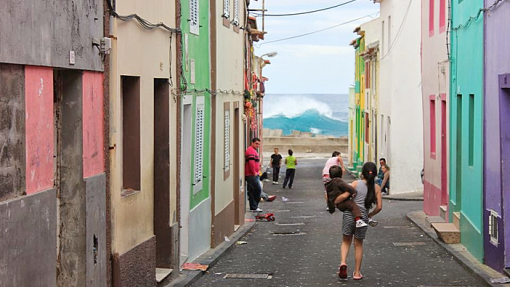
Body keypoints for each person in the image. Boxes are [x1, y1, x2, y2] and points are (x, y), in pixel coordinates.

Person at [338, 162, 383, 280]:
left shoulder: (355, 183)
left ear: (362, 173)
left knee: (346, 241)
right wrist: (370, 214)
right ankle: (357, 273)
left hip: (349, 215)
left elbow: (346, 196)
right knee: (358, 245)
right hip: (363, 218)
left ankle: (343, 262)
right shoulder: (377, 188)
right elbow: (379, 207)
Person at [245, 138, 263, 212]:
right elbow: (251, 163)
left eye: (258, 144)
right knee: (257, 189)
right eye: (256, 143)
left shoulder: (253, 151)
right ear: (252, 143)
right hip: (251, 174)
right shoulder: (251, 151)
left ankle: (254, 206)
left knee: (252, 190)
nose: (257, 145)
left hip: (253, 174)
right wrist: (254, 172)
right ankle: (254, 206)